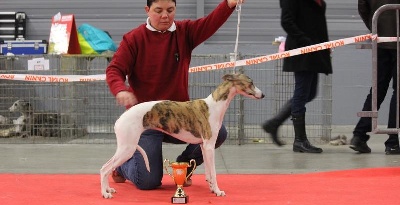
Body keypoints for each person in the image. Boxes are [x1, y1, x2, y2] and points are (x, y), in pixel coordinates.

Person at [105, 0, 245, 190]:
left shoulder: (185, 32)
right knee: (148, 181)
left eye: (170, 10)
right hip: (147, 121)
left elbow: (210, 22)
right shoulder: (133, 39)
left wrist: (229, 3)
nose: (165, 16)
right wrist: (120, 89)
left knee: (218, 132)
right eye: (159, 10)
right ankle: (121, 167)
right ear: (147, 10)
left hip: (180, 118)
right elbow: (115, 69)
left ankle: (184, 165)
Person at [261, 0, 332, 153]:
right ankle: (299, 140)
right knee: (301, 94)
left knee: (310, 93)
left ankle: (275, 123)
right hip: (302, 51)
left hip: (315, 51)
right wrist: (306, 43)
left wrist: (323, 45)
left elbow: (316, 23)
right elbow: (287, 21)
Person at [350, 0, 400, 155]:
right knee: (398, 92)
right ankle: (392, 141)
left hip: (381, 40)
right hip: (398, 39)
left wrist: (375, 27)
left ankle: (359, 135)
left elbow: (362, 7)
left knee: (377, 89)